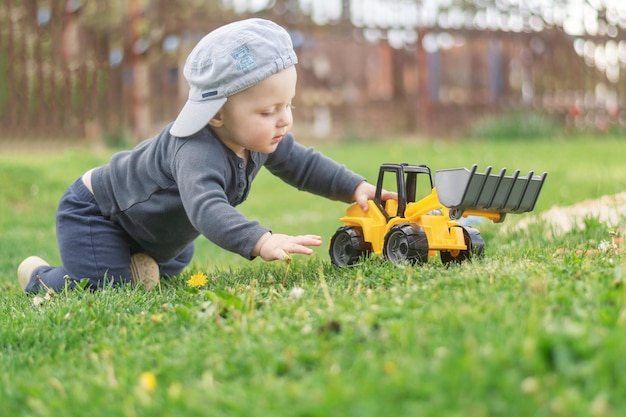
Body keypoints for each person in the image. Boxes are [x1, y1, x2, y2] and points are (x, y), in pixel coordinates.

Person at [17, 18, 395, 293]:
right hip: (97, 214)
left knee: (178, 255)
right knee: (104, 286)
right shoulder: (195, 151)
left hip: (152, 231)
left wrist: (355, 187)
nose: (284, 120)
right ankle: (40, 276)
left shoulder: (258, 140)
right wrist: (260, 240)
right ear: (216, 113)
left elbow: (303, 163)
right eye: (267, 111)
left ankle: (137, 265)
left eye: (288, 105)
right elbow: (208, 209)